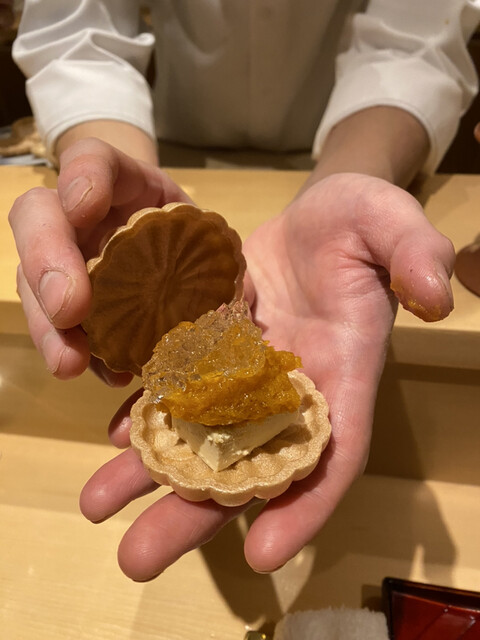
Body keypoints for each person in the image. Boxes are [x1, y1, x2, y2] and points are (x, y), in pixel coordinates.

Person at [8, 0, 478, 581]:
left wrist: (349, 181)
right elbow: (79, 34)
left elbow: (413, 43)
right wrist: (105, 202)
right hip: (169, 150)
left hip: (346, 140)